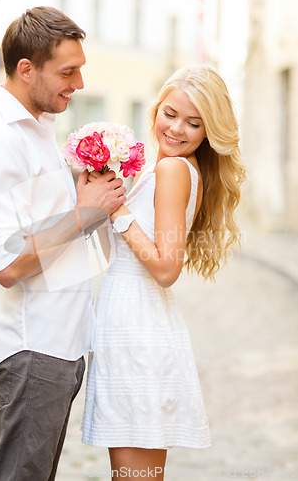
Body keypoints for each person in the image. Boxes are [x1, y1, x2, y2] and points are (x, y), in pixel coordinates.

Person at [0, 6, 126, 481]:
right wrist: (83, 213)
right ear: (26, 68)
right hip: (33, 344)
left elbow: (42, 230)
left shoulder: (37, 131)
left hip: (61, 341)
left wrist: (92, 202)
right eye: (67, 72)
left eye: (80, 70)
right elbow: (9, 262)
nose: (77, 84)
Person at [82, 65, 246, 480]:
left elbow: (167, 267)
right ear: (156, 109)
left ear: (209, 132)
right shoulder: (163, 169)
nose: (177, 129)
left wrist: (116, 210)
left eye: (194, 123)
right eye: (170, 113)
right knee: (135, 474)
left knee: (135, 475)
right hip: (131, 320)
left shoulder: (174, 170)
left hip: (140, 323)